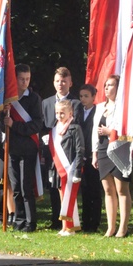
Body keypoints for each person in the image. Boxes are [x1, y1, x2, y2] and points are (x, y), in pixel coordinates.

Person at [3, 64, 43, 232]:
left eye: (27, 79)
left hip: (28, 147)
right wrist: (4, 118)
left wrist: (15, 125)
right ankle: (18, 220)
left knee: (27, 187)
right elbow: (1, 125)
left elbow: (36, 124)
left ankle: (30, 221)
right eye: (21, 79)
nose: (25, 82)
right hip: (12, 148)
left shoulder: (34, 99)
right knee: (16, 186)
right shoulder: (8, 99)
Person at [41, 67, 81, 229]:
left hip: (67, 153)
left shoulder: (76, 103)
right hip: (51, 150)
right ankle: (56, 219)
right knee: (54, 186)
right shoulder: (46, 102)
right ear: (53, 82)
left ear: (70, 83)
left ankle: (70, 221)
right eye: (58, 81)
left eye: (64, 81)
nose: (60, 84)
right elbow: (44, 126)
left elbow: (75, 126)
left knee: (68, 187)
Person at [92, 75, 131, 237]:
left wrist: (110, 132)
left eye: (111, 85)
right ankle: (110, 227)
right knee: (108, 190)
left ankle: (123, 227)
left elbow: (130, 134)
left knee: (122, 189)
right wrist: (94, 153)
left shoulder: (125, 108)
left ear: (118, 87)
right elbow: (94, 131)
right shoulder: (100, 107)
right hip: (102, 150)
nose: (107, 88)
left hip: (120, 149)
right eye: (105, 85)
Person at [49, 100, 85, 236]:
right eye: (57, 113)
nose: (59, 116)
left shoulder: (75, 128)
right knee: (62, 196)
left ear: (70, 113)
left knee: (69, 196)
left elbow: (80, 149)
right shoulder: (55, 128)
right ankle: (64, 226)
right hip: (59, 169)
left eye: (62, 113)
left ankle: (71, 227)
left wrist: (77, 171)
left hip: (71, 168)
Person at [77, 84, 101, 233]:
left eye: (86, 96)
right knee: (84, 191)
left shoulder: (98, 111)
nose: (83, 99)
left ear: (93, 97)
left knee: (95, 191)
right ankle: (85, 222)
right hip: (81, 155)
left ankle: (95, 222)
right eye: (81, 96)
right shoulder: (78, 112)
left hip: (94, 155)